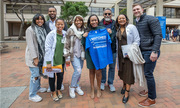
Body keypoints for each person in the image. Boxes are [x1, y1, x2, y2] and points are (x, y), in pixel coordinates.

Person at [132, 4, 162, 107]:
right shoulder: (138, 21)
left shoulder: (151, 19)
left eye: (137, 9)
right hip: (143, 51)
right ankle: (148, 90)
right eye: (134, 10)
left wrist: (155, 51)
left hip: (150, 51)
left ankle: (152, 99)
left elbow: (158, 35)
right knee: (146, 73)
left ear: (142, 10)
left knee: (148, 74)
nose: (136, 11)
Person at [82, 14, 113, 99]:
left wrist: (110, 33)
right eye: (92, 20)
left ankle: (98, 88)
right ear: (89, 22)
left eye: (95, 20)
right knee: (91, 71)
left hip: (100, 54)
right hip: (90, 54)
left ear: (97, 20)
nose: (94, 22)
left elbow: (110, 40)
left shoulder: (103, 29)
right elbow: (83, 44)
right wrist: (83, 37)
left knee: (98, 72)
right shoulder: (87, 31)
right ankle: (92, 89)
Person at [115, 14, 140, 104]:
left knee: (129, 72)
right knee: (122, 71)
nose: (121, 20)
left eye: (123, 18)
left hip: (129, 54)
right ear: (117, 20)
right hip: (120, 53)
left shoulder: (131, 27)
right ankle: (124, 85)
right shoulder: (117, 29)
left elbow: (137, 40)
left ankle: (127, 93)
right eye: (119, 18)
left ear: (126, 19)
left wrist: (131, 52)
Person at [25, 13, 47, 102]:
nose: (40, 21)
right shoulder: (30, 29)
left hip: (41, 56)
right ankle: (32, 94)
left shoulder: (42, 29)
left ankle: (38, 88)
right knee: (35, 75)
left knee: (38, 73)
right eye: (38, 19)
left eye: (42, 19)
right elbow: (30, 45)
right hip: (33, 57)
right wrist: (35, 58)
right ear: (34, 20)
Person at [44, 6, 67, 92]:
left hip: (61, 59)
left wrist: (67, 58)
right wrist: (48, 62)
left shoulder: (65, 34)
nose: (60, 26)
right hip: (52, 58)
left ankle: (58, 89)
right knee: (51, 76)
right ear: (55, 25)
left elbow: (66, 47)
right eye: (58, 24)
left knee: (60, 76)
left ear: (64, 25)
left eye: (62, 24)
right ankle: (53, 91)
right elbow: (48, 48)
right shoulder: (50, 34)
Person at [64, 15, 85, 98]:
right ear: (74, 21)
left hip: (81, 54)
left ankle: (77, 86)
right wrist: (67, 57)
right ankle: (72, 87)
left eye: (80, 20)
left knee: (79, 71)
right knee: (78, 70)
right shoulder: (70, 30)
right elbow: (66, 43)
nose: (78, 22)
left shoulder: (84, 31)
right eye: (76, 20)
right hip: (73, 54)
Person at [99, 8, 117, 92]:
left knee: (112, 67)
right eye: (105, 14)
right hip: (102, 49)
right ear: (103, 15)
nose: (107, 15)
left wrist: (111, 33)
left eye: (109, 14)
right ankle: (102, 82)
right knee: (103, 67)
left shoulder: (115, 23)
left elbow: (117, 35)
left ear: (111, 15)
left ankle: (110, 83)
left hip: (112, 49)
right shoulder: (99, 24)